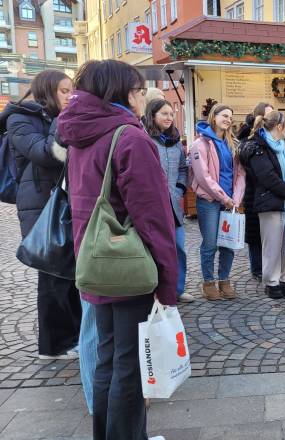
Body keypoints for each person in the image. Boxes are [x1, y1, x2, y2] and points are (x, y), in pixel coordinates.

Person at [58, 59, 177, 440]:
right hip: (128, 264)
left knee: (108, 359)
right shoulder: (129, 138)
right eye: (140, 91)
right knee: (130, 365)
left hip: (95, 260)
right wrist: (168, 281)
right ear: (125, 94)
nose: (143, 98)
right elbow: (153, 217)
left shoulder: (82, 133)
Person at [1, 70, 81, 360]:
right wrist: (63, 120)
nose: (70, 96)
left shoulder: (57, 117)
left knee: (71, 273)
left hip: (65, 204)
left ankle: (75, 336)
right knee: (52, 276)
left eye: (72, 91)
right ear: (47, 91)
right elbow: (45, 154)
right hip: (40, 207)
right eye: (63, 91)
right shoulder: (20, 119)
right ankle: (53, 345)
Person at [240, 111, 285, 299]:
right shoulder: (257, 147)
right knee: (272, 246)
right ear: (279, 126)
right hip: (270, 202)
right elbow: (267, 177)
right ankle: (272, 282)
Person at [189, 104, 246, 301]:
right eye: (224, 115)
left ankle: (224, 280)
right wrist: (224, 198)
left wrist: (235, 199)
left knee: (228, 244)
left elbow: (240, 174)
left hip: (230, 201)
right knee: (210, 243)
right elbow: (203, 177)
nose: (228, 119)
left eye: (230, 116)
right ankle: (208, 282)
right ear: (214, 117)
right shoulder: (200, 144)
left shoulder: (233, 144)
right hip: (210, 201)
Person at [144, 99, 194, 303]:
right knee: (154, 251)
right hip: (152, 206)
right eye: (164, 113)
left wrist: (179, 189)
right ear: (152, 115)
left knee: (178, 248)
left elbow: (183, 169)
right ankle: (154, 292)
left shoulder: (175, 142)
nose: (169, 117)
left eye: (171, 114)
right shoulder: (145, 139)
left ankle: (177, 289)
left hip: (173, 205)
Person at [239, 102, 273, 279]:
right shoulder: (248, 140)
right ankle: (257, 268)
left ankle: (268, 266)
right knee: (254, 233)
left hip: (270, 192)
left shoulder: (274, 137)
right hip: (253, 191)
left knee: (269, 232)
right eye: (268, 115)